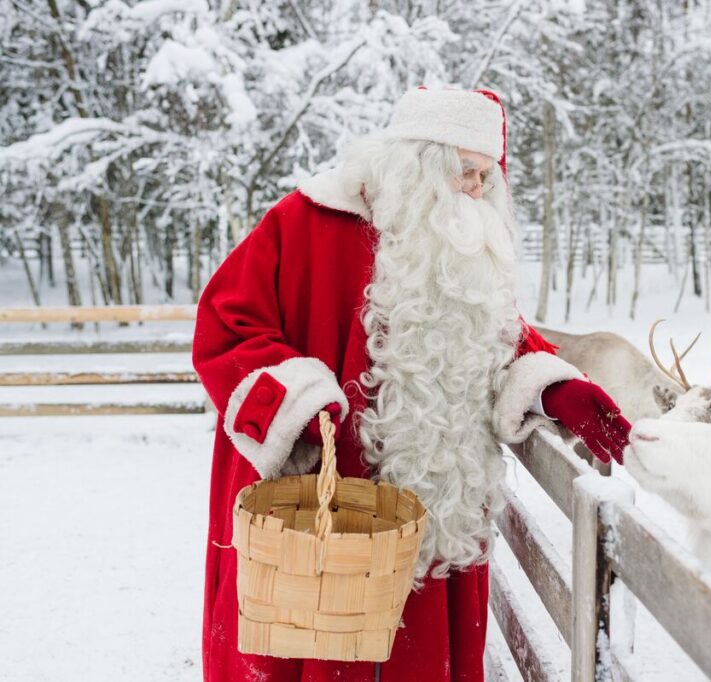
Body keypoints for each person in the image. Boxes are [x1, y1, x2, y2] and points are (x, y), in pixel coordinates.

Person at [193, 87, 632, 681]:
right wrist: (297, 399)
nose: (479, 190)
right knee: (317, 649)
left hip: (431, 515)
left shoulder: (459, 243)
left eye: (487, 177)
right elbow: (226, 323)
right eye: (467, 172)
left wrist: (551, 385)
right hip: (319, 510)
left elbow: (497, 334)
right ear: (418, 162)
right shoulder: (305, 221)